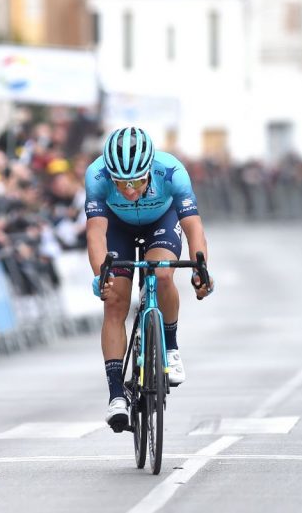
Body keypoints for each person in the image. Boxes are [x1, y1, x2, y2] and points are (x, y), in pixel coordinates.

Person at [84, 126, 214, 431]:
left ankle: (170, 346)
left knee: (163, 273)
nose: (129, 191)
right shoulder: (97, 176)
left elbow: (194, 228)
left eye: (137, 181)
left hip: (161, 222)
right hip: (118, 227)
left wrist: (201, 270)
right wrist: (100, 274)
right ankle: (117, 394)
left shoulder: (171, 171)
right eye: (122, 183)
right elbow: (96, 233)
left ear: (149, 170)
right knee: (114, 300)